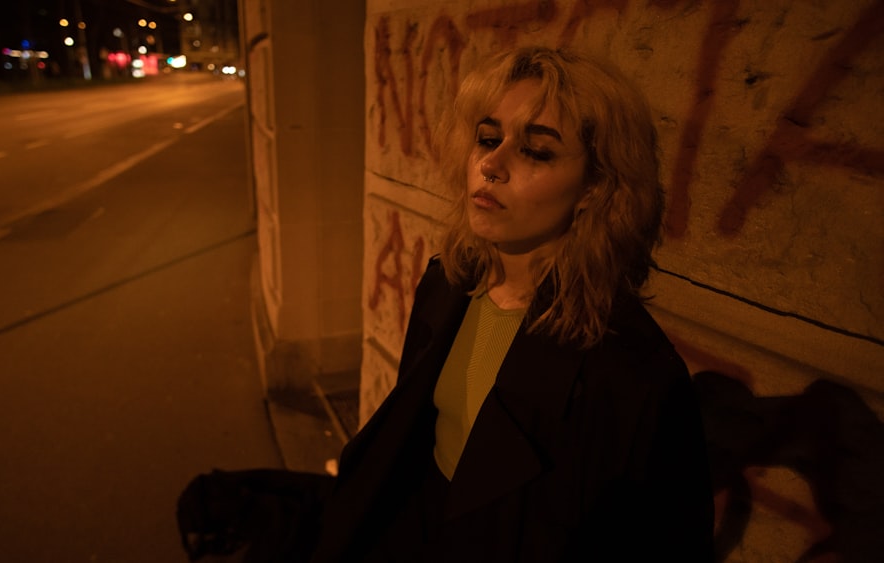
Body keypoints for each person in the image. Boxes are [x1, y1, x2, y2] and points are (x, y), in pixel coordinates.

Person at [178, 45, 714, 562]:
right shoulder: (450, 282)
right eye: (488, 138)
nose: (491, 165)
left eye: (536, 150)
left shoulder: (633, 373)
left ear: (597, 186)